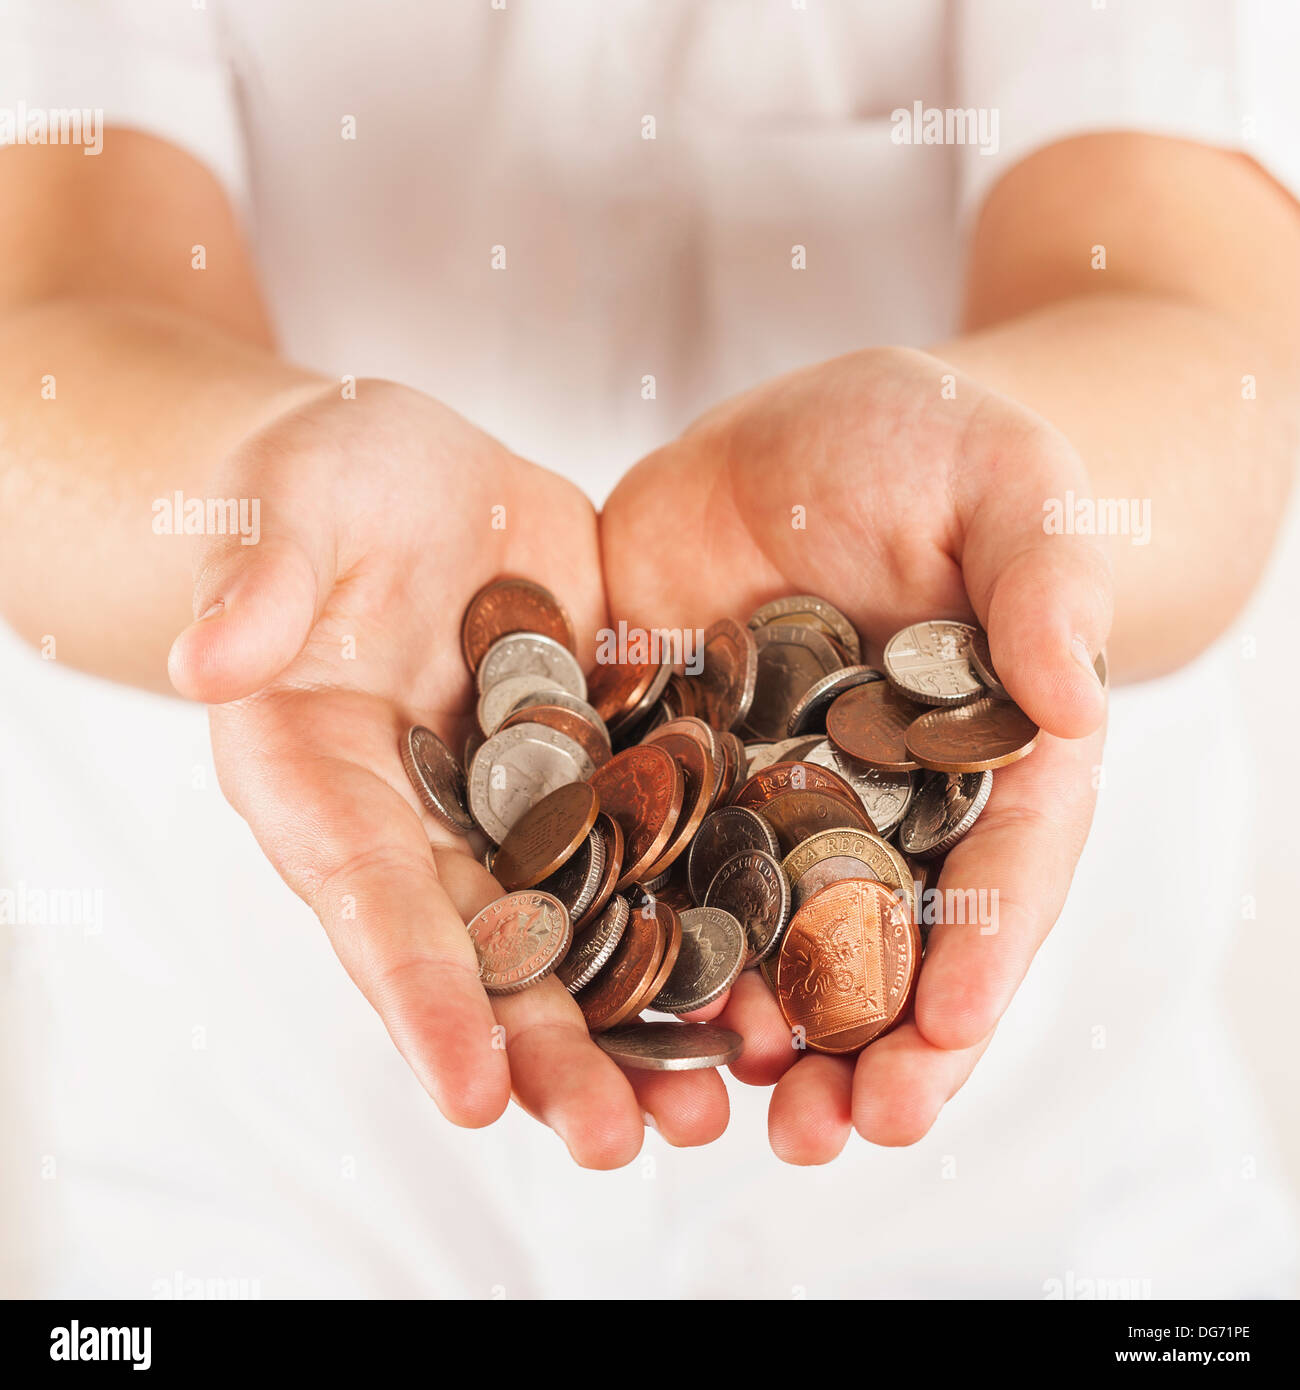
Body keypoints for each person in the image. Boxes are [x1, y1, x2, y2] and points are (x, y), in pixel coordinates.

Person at [0, 0, 1296, 1298]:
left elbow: (1197, 325)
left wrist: (1015, 485)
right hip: (255, 1199)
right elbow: (49, 318)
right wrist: (251, 508)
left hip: (1050, 1221)